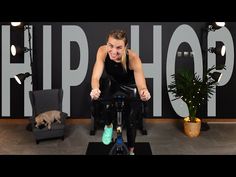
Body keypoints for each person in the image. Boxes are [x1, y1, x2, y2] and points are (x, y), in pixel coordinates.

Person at [90, 29, 151, 155]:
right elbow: (95, 77)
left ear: (125, 47)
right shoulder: (102, 51)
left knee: (131, 120)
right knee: (104, 104)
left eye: (118, 47)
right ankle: (108, 125)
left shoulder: (133, 58)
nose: (113, 51)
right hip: (114, 84)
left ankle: (131, 151)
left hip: (130, 86)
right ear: (107, 44)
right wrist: (95, 89)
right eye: (110, 46)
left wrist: (144, 92)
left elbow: (141, 85)